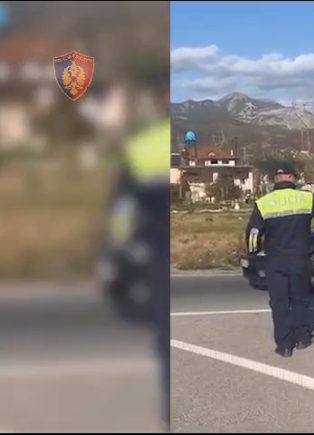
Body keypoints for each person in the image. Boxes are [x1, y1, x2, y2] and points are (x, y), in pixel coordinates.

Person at [100, 76, 170, 431]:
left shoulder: (142, 146)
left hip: (155, 251)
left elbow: (122, 211)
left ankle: (169, 412)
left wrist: (115, 256)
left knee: (164, 334)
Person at [246, 163, 314, 357]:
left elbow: (253, 234)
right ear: (293, 178)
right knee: (300, 299)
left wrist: (253, 253)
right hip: (299, 258)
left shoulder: (264, 202)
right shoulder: (305, 198)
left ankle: (284, 345)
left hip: (275, 261)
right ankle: (302, 338)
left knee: (279, 302)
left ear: (275, 179)